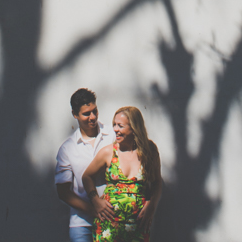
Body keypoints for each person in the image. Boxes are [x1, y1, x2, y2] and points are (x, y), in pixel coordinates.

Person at [81, 106, 163, 242]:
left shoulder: (149, 151)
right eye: (114, 124)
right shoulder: (108, 152)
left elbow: (157, 182)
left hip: (138, 225)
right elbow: (87, 177)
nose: (115, 129)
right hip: (108, 225)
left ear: (134, 128)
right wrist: (95, 201)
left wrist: (152, 205)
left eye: (120, 126)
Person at [56, 88, 116, 242]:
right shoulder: (67, 149)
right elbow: (63, 192)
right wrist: (93, 209)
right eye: (86, 113)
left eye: (95, 111)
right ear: (75, 114)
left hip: (114, 218)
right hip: (82, 224)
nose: (93, 117)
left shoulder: (113, 136)